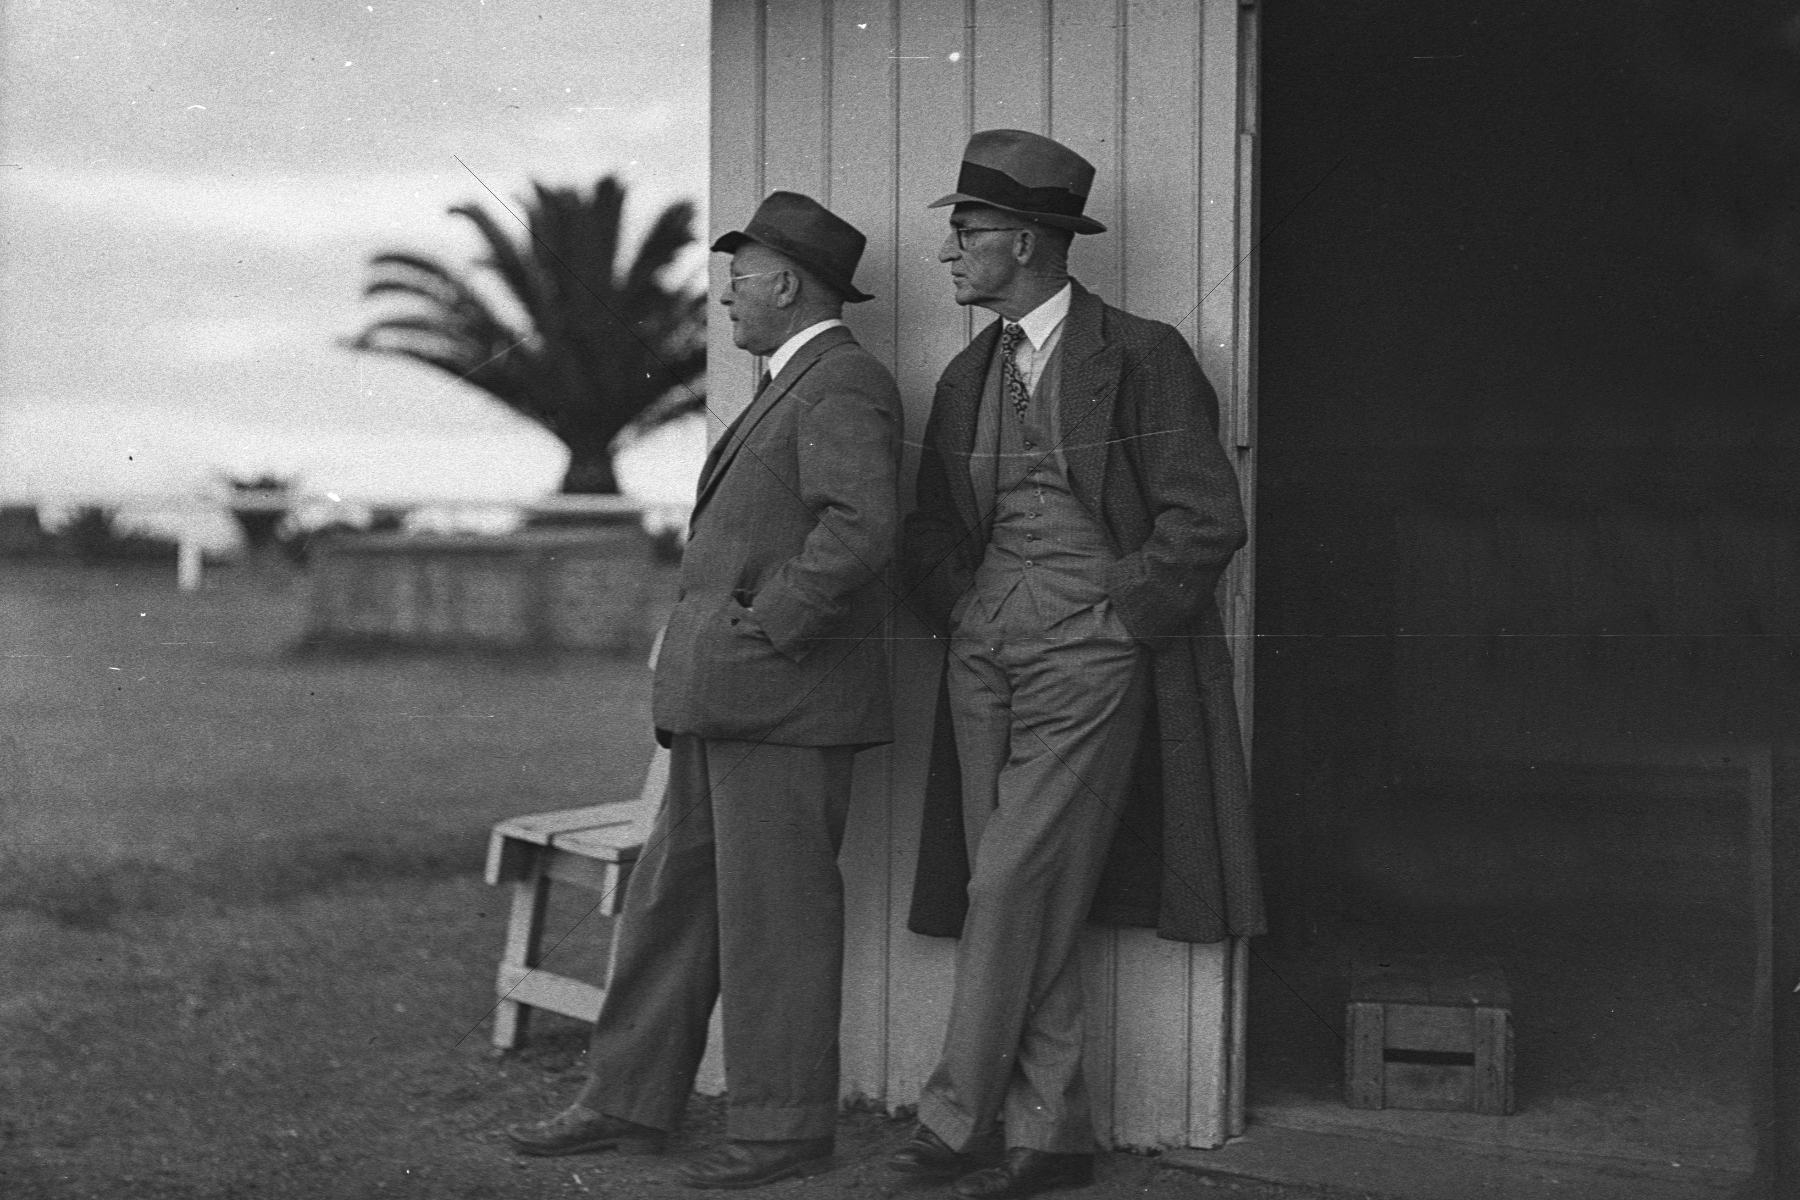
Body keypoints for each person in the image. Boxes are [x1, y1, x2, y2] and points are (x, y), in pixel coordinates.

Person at [890, 130, 1265, 1199]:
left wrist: (1119, 620)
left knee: (1009, 878)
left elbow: (1205, 521)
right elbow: (927, 527)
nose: (950, 254)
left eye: (965, 234)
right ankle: (1052, 1136)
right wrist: (962, 609)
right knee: (1020, 888)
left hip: (1088, 653)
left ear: (1026, 239)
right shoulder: (970, 372)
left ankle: (955, 1116)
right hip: (984, 650)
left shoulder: (1143, 355)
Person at [506, 191, 902, 1191]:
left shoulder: (842, 382)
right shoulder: (791, 381)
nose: (726, 296)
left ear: (787, 285)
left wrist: (764, 627)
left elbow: (861, 530)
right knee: (670, 903)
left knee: (777, 927)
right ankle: (626, 1104)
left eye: (739, 277)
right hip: (725, 702)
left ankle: (780, 1135)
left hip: (784, 700)